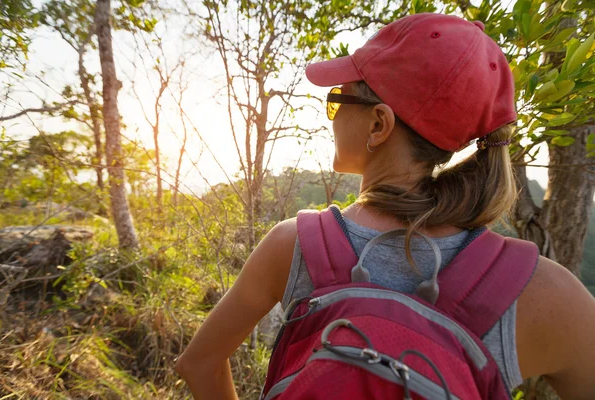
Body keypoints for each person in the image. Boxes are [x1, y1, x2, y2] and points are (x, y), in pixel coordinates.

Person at [176, 12, 595, 399]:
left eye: (338, 100)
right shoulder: (546, 293)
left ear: (378, 124)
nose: (333, 116)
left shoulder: (294, 245)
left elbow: (199, 363)